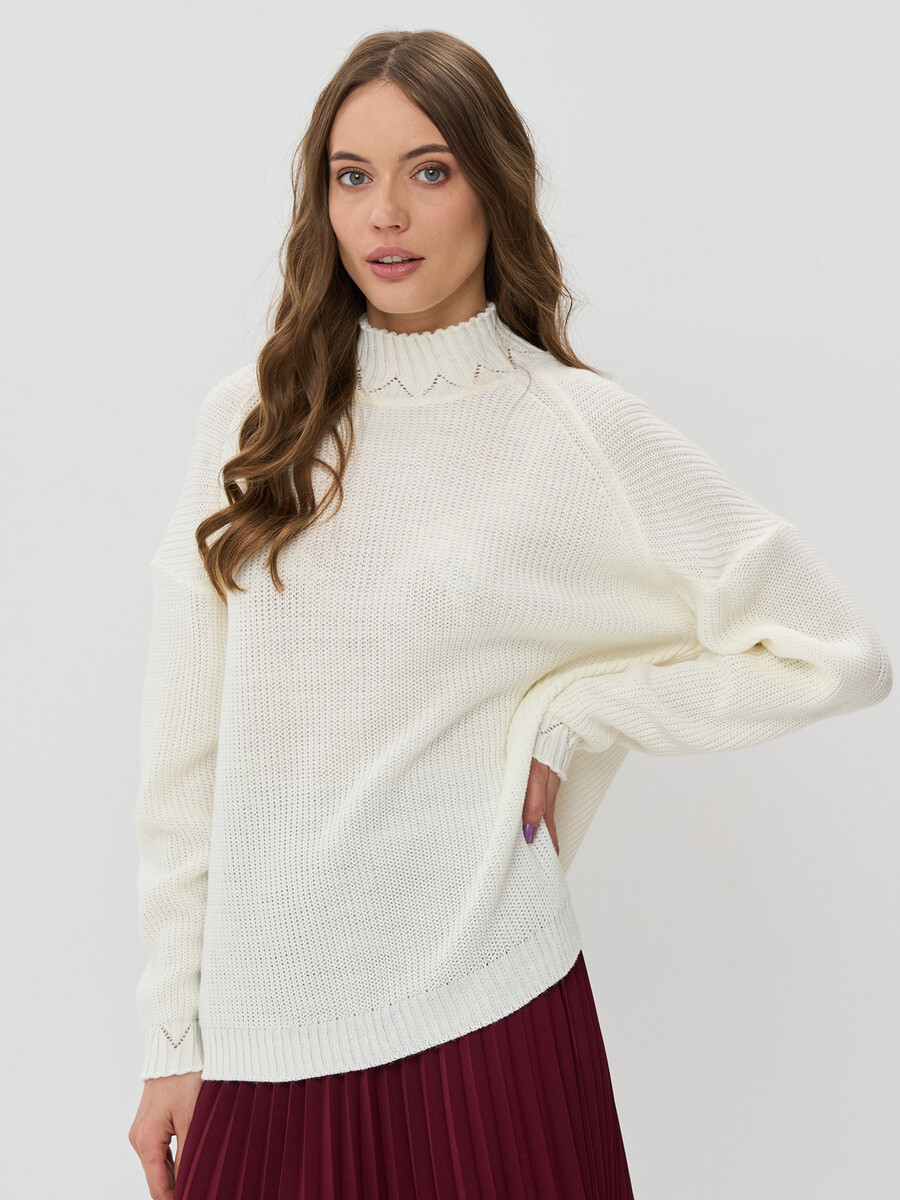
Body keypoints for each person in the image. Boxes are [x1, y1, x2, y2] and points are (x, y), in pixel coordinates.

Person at [127, 27, 892, 1200]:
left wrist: (581, 712)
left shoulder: (574, 431)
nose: (386, 213)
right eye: (352, 175)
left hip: (490, 1016)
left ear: (492, 186)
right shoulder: (254, 424)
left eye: (429, 170)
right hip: (263, 1039)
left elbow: (837, 654)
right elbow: (182, 762)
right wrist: (170, 1040)